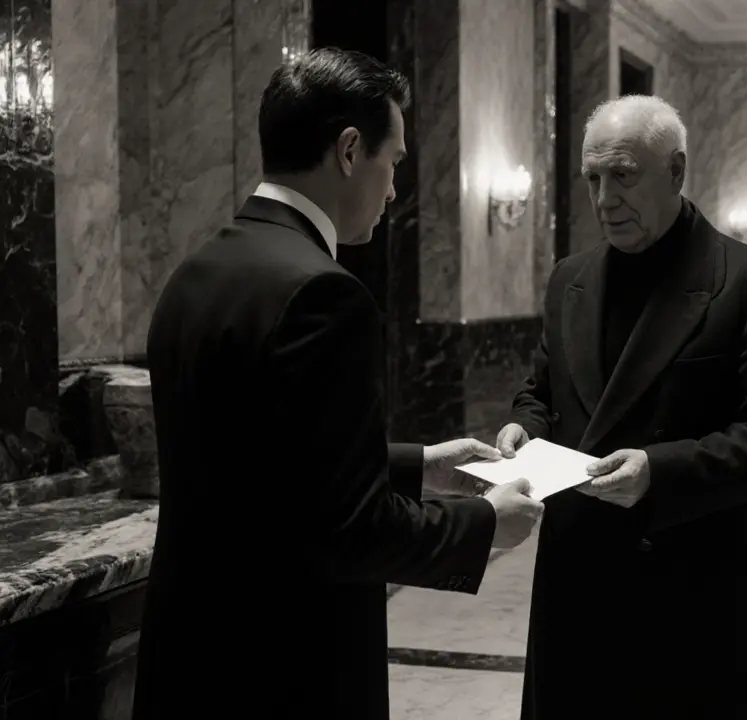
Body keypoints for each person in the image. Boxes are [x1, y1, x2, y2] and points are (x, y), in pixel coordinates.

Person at [133, 48, 544, 720]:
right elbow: (350, 531)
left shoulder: (196, 274)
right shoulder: (325, 294)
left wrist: (418, 466)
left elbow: (259, 467)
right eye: (394, 163)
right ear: (350, 150)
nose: (394, 191)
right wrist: (486, 523)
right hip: (287, 669)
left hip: (190, 655)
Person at [495, 95, 747, 720]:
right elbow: (543, 391)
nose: (605, 198)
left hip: (690, 585)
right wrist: (523, 426)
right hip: (577, 576)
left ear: (676, 171)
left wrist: (658, 472)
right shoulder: (568, 279)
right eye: (593, 178)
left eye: (623, 175)